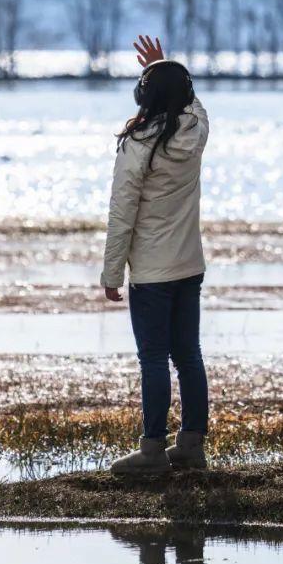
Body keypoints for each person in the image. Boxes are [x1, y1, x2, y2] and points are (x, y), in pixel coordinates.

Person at [101, 35, 210, 475]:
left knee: (153, 359)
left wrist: (111, 273)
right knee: (188, 356)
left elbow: (121, 213)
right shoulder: (196, 131)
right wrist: (164, 66)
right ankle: (191, 446)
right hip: (190, 266)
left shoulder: (137, 145)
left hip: (151, 272)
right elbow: (193, 103)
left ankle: (151, 452)